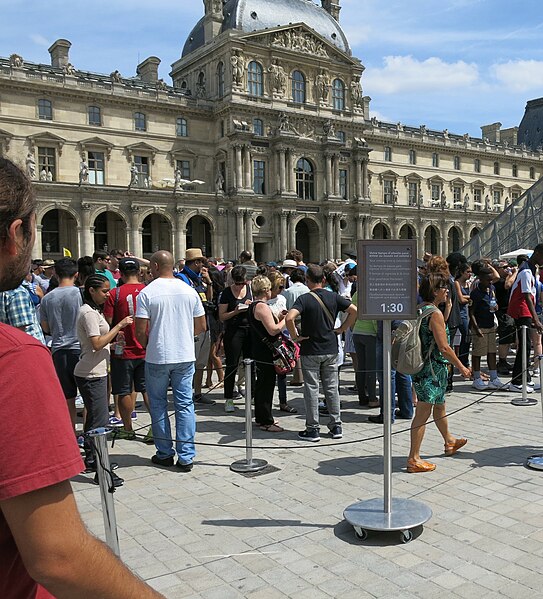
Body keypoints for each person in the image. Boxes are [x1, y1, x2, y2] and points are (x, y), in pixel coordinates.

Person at [0, 157, 163, 598]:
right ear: (17, 235)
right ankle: (96, 459)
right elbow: (59, 557)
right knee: (94, 411)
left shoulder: (46, 304)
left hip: (63, 358)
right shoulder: (11, 357)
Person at [135, 250, 206, 472]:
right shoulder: (188, 290)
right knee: (185, 404)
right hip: (184, 354)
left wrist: (150, 343)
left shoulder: (147, 293)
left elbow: (139, 331)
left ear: (155, 266)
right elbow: (201, 326)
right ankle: (186, 456)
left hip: (158, 355)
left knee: (157, 404)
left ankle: (164, 453)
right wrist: (186, 336)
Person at [407, 273, 471, 473]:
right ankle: (414, 458)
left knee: (440, 406)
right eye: (444, 288)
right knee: (423, 413)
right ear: (435, 291)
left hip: (425, 367)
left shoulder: (420, 309)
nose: (447, 291)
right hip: (432, 370)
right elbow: (444, 347)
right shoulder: (433, 313)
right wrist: (462, 367)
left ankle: (449, 441)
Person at [286, 264, 357, 442]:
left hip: (310, 349)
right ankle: (336, 425)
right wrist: (342, 328)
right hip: (331, 348)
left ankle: (313, 429)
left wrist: (295, 336)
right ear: (323, 280)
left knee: (311, 389)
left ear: (308, 280)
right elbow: (354, 311)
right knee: (331, 388)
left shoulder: (304, 299)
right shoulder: (333, 296)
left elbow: (289, 318)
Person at [74, 274, 133, 475]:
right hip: (91, 373)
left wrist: (114, 343)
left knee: (94, 419)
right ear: (91, 290)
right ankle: (100, 464)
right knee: (100, 422)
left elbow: (99, 344)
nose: (107, 295)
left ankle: (92, 458)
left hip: (96, 370)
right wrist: (119, 326)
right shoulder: (88, 313)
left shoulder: (93, 311)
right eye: (104, 291)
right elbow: (96, 343)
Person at [103, 257, 150, 441]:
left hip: (122, 350)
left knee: (123, 390)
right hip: (146, 348)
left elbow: (108, 323)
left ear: (120, 274)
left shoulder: (114, 294)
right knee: (147, 390)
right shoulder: (148, 291)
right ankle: (155, 428)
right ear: (139, 271)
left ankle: (128, 428)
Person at [40, 257, 82, 428]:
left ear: (55, 274)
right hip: (80, 348)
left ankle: (71, 432)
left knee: (67, 397)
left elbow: (46, 327)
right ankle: (89, 437)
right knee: (88, 397)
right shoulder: (80, 294)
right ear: (76, 274)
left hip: (58, 349)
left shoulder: (47, 298)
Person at [247, 275, 288, 432]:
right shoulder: (262, 306)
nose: (272, 291)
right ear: (265, 290)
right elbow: (273, 329)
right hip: (266, 351)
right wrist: (286, 320)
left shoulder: (253, 305)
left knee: (262, 383)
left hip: (259, 348)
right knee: (267, 384)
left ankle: (262, 416)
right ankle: (266, 420)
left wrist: (279, 317)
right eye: (270, 288)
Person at [176, 248, 215, 406]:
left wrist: (209, 282)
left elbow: (209, 299)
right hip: (191, 327)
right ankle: (185, 393)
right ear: (196, 262)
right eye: (201, 262)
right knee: (189, 362)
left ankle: (197, 393)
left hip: (204, 323)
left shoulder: (199, 279)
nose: (203, 266)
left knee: (201, 362)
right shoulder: (181, 278)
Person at [507, 244, 543, 392]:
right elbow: (527, 296)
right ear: (538, 253)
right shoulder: (526, 271)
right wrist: (536, 320)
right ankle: (516, 381)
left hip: (526, 310)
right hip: (522, 310)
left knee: (526, 346)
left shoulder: (530, 268)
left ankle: (525, 378)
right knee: (525, 347)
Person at [219, 265, 253, 413]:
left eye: (243, 283)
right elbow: (222, 316)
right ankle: (229, 398)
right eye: (238, 283)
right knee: (232, 365)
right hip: (233, 331)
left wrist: (252, 306)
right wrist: (235, 311)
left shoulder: (250, 290)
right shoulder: (227, 292)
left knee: (251, 364)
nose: (240, 286)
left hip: (250, 331)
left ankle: (251, 396)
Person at [469, 267, 504, 391]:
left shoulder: (492, 289)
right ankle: (477, 378)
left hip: (490, 325)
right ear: (481, 279)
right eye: (488, 280)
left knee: (492, 352)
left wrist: (496, 306)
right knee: (478, 353)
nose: (490, 282)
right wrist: (476, 328)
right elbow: (471, 312)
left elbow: (495, 303)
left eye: (491, 279)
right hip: (480, 326)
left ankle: (494, 378)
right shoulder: (475, 293)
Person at [267, 270, 296, 413]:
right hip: (267, 340)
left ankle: (283, 401)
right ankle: (265, 402)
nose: (281, 290)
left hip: (281, 339)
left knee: (282, 372)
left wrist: (283, 317)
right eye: (279, 287)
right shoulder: (263, 301)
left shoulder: (282, 299)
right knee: (266, 374)